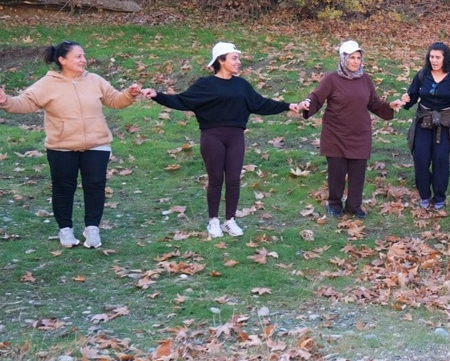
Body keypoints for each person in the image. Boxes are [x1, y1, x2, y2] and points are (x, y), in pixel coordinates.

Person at [143, 42, 301, 239]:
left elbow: (260, 104)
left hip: (235, 137)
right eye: (234, 58)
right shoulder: (205, 84)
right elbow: (182, 100)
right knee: (216, 178)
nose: (238, 62)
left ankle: (230, 220)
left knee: (233, 179)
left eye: (238, 58)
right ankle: (213, 221)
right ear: (221, 60)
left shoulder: (242, 85)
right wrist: (157, 95)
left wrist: (288, 105)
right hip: (212, 137)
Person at [0, 41, 141, 248]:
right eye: (78, 56)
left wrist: (129, 94)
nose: (83, 60)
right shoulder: (47, 84)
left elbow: (114, 99)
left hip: (97, 144)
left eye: (84, 56)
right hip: (61, 146)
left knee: (95, 186)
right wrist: (5, 101)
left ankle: (92, 229)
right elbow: (24, 102)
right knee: (63, 188)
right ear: (62, 60)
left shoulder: (94, 80)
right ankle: (65, 230)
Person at [300, 41, 398, 219]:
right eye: (352, 57)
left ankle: (354, 206)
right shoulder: (331, 79)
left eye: (358, 58)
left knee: (358, 172)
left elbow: (374, 103)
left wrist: (389, 106)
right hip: (335, 134)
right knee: (336, 172)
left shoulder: (365, 79)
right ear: (343, 58)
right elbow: (316, 97)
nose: (355, 61)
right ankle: (334, 204)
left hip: (360, 134)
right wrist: (308, 103)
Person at [402, 42, 450, 212]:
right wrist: (405, 100)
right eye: (431, 57)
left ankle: (439, 196)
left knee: (440, 160)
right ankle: (424, 195)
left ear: (445, 58)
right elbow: (411, 97)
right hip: (424, 122)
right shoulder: (422, 75)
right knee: (421, 159)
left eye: (438, 57)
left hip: (445, 124)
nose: (434, 60)